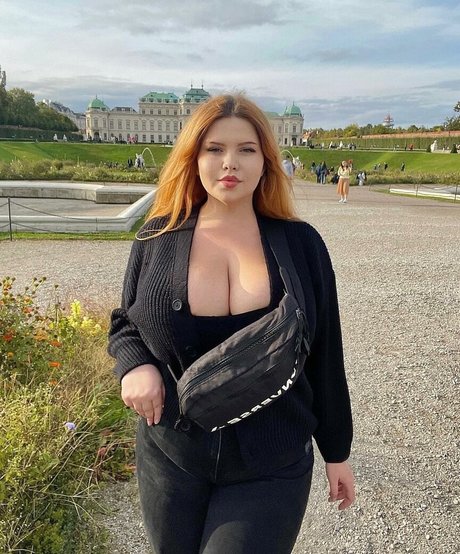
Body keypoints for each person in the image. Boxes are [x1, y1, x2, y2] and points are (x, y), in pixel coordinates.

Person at [108, 94, 355, 554]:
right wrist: (134, 365)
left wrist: (337, 450)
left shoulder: (301, 244)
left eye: (246, 149)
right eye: (215, 149)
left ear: (265, 161)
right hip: (171, 455)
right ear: (193, 157)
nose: (230, 163)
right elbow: (126, 321)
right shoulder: (158, 235)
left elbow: (325, 350)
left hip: (271, 460)